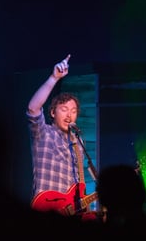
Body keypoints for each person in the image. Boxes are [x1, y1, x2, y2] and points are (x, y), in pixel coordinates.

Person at [26, 54, 101, 221]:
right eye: (64, 109)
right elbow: (32, 109)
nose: (69, 114)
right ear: (53, 112)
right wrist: (54, 78)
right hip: (46, 206)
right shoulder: (43, 133)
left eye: (73, 111)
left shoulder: (78, 144)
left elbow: (78, 191)